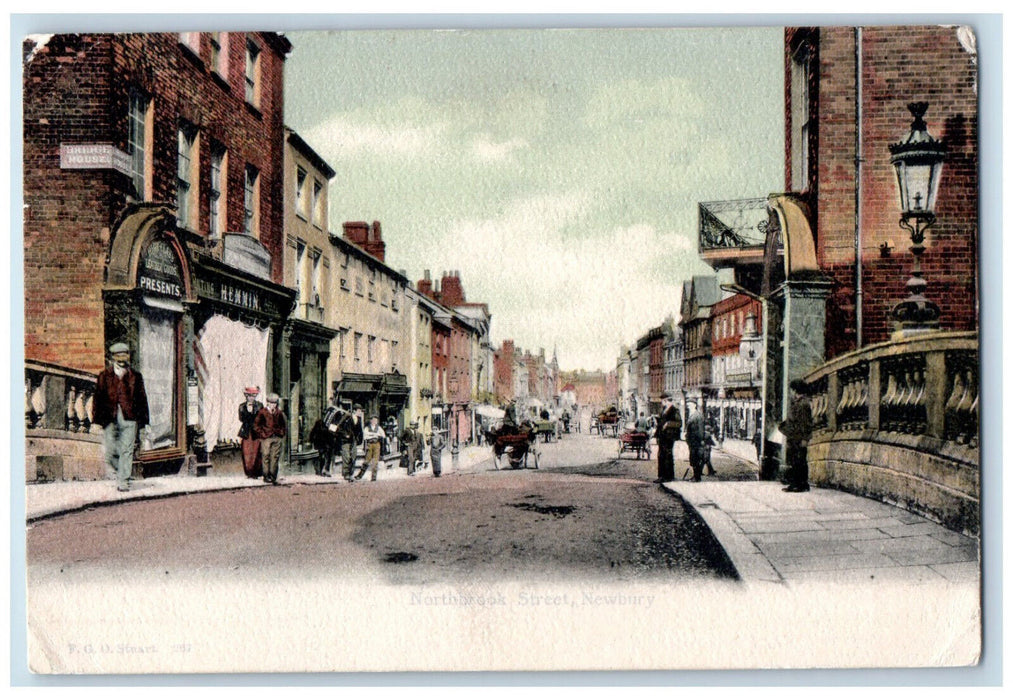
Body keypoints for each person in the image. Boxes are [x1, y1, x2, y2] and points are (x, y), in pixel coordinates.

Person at [92, 342, 150, 492]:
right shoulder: (104, 376)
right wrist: (96, 420)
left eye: (125, 355)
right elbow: (97, 398)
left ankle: (123, 480)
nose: (122, 358)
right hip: (110, 417)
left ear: (128, 356)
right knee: (110, 452)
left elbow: (142, 399)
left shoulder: (135, 376)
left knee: (127, 449)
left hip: (130, 417)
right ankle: (122, 471)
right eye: (118, 355)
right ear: (113, 357)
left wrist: (144, 422)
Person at [780, 379, 814, 492]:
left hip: (799, 438)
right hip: (793, 437)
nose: (790, 392)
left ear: (795, 390)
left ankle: (802, 484)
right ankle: (794, 483)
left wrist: (805, 439)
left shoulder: (803, 404)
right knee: (794, 461)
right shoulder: (797, 402)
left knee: (800, 461)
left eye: (791, 390)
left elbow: (806, 423)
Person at [254, 393, 287, 485]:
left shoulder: (279, 413)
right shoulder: (262, 412)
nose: (273, 405)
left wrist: (281, 433)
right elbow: (256, 426)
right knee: (266, 455)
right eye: (271, 403)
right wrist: (262, 434)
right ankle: (266, 475)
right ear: (267, 403)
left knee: (274, 457)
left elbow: (283, 425)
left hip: (276, 437)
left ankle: (273, 476)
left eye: (275, 403)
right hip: (266, 438)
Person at [654, 394, 681, 483]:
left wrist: (668, 424)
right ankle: (662, 476)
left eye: (662, 401)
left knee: (667, 456)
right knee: (661, 456)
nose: (661, 403)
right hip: (662, 437)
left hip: (669, 437)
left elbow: (679, 423)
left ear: (666, 401)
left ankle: (668, 476)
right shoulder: (663, 410)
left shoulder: (674, 410)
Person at [237, 386, 263, 479]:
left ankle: (256, 472)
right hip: (247, 432)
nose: (251, 397)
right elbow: (241, 418)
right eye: (249, 395)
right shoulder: (241, 406)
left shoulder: (259, 405)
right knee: (246, 452)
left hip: (256, 432)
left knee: (256, 452)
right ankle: (248, 473)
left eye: (253, 395)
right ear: (246, 396)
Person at [337, 404, 365, 482]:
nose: (360, 412)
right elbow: (339, 428)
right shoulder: (347, 418)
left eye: (361, 411)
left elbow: (360, 431)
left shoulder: (359, 420)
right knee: (346, 457)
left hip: (353, 441)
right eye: (359, 411)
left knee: (353, 456)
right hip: (345, 441)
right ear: (354, 411)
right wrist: (345, 435)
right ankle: (346, 474)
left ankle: (351, 473)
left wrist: (359, 440)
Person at [355, 415, 386, 481]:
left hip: (376, 444)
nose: (375, 421)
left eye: (376, 420)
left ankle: (374, 477)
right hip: (369, 444)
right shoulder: (367, 428)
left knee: (375, 462)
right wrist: (374, 434)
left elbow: (383, 435)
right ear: (371, 421)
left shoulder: (379, 428)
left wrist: (373, 435)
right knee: (366, 461)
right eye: (374, 420)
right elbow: (365, 436)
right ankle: (360, 475)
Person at [685, 402, 706, 482]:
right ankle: (695, 476)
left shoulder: (698, 415)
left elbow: (701, 429)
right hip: (692, 440)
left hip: (696, 440)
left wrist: (701, 439)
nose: (688, 406)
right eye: (688, 405)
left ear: (694, 405)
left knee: (696, 458)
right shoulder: (692, 415)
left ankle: (697, 477)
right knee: (693, 458)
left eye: (689, 405)